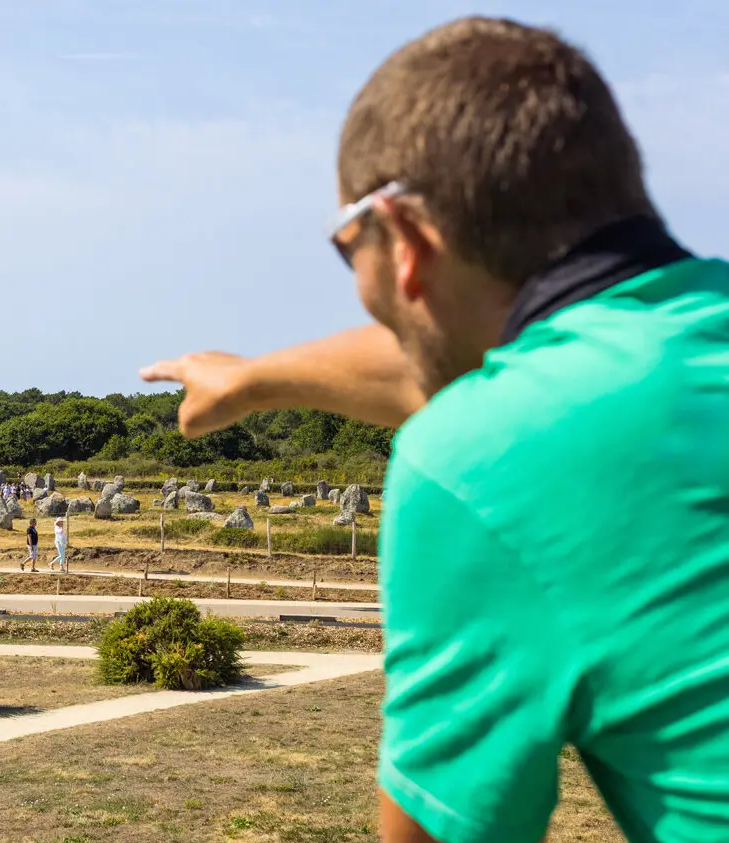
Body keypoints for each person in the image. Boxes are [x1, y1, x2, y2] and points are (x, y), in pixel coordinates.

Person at [145, 16, 729, 843]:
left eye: (349, 252)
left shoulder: (479, 459)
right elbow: (521, 363)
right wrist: (251, 379)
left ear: (407, 238)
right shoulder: (672, 348)